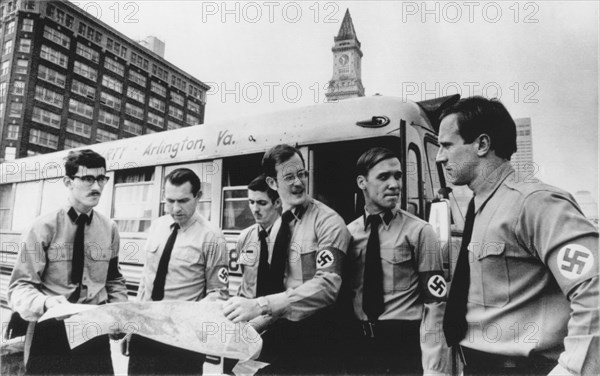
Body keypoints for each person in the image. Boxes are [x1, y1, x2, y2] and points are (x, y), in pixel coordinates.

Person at [437, 96, 599, 375]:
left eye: (447, 145)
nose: (440, 156)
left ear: (482, 144)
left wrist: (572, 369)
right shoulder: (479, 207)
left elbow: (594, 290)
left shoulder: (536, 202)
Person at [223, 144, 351, 374]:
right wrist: (252, 323)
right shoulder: (275, 227)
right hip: (278, 334)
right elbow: (263, 282)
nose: (298, 183)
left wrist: (261, 305)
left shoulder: (328, 222)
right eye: (289, 177)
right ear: (273, 183)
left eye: (301, 174)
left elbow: (328, 286)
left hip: (316, 340)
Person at [8, 149, 128, 375]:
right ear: (68, 181)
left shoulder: (109, 228)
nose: (97, 186)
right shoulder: (42, 227)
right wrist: (46, 304)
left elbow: (114, 279)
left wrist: (119, 314)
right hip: (51, 332)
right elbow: (19, 287)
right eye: (87, 178)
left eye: (101, 178)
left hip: (94, 332)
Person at [343, 147, 449, 375]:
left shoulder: (420, 231)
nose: (394, 184)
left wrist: (434, 367)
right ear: (362, 182)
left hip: (402, 346)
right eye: (383, 177)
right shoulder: (348, 234)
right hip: (360, 346)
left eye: (398, 176)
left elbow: (435, 305)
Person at [126, 168, 229, 375]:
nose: (175, 208)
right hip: (145, 332)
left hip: (182, 339)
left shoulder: (212, 237)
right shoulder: (157, 226)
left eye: (182, 201)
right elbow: (146, 281)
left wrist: (188, 318)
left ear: (198, 196)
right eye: (170, 200)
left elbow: (219, 295)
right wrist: (132, 325)